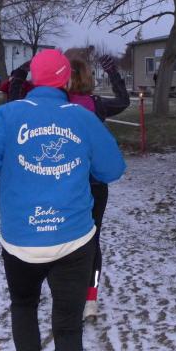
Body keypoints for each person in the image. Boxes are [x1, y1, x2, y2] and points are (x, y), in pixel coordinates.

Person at [0, 49, 126, 351]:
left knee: (24, 307)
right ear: (66, 80)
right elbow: (112, 169)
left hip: (20, 241)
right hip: (74, 241)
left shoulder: (8, 115)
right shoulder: (83, 118)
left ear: (34, 80)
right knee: (68, 325)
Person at [66, 54, 130, 319]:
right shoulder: (96, 105)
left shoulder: (56, 106)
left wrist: (20, 77)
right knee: (92, 240)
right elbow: (124, 101)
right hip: (95, 184)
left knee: (65, 239)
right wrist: (113, 73)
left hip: (64, 182)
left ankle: (68, 291)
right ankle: (90, 298)